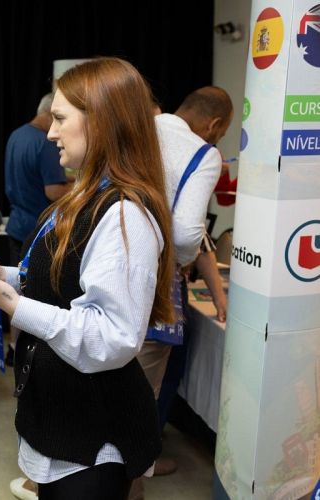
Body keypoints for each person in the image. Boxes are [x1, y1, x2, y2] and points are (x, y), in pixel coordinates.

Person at [0, 58, 176, 499]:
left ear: (102, 122)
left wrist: (13, 303)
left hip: (93, 436)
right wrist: (2, 274)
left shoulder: (125, 215)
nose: (50, 132)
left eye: (62, 119)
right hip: (64, 422)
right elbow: (66, 283)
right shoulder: (91, 194)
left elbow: (111, 336)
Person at [136, 86, 232, 481]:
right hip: (153, 285)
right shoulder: (203, 154)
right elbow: (189, 234)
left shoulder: (141, 126)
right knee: (142, 394)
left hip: (107, 267)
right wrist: (182, 261)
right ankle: (133, 475)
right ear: (213, 124)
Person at [4, 92, 71, 377]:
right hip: (38, 232)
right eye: (58, 118)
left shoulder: (17, 135)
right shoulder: (44, 143)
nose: (57, 131)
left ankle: (13, 348)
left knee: (17, 291)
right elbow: (53, 191)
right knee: (32, 297)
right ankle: (26, 355)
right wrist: (83, 190)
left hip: (17, 225)